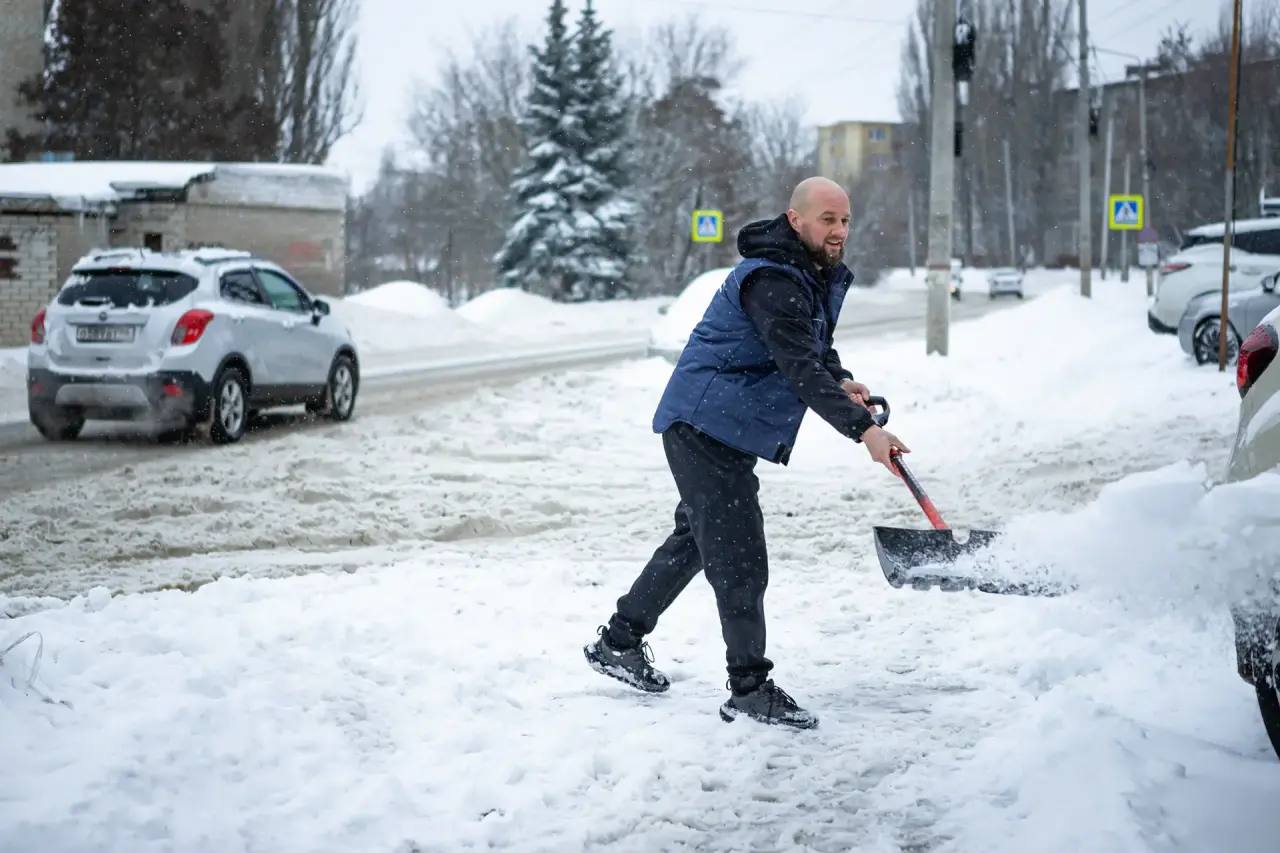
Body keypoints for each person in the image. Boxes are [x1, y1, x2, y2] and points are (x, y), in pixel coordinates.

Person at [584, 177, 910, 729]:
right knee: (739, 557)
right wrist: (864, 431)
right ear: (795, 220)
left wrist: (842, 380)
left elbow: (813, 350)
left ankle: (618, 642)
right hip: (703, 426)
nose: (839, 230)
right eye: (827, 219)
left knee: (696, 541)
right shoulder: (772, 280)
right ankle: (749, 689)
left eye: (845, 220)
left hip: (721, 427)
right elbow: (798, 367)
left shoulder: (803, 272)